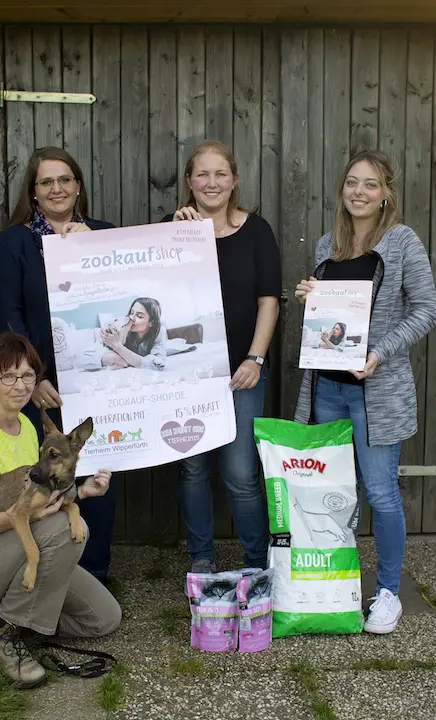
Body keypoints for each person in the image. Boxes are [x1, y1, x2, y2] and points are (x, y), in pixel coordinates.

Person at [293, 149, 436, 635]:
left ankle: (389, 592)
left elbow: (426, 310)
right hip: (327, 390)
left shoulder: (401, 242)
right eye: (352, 182)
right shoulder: (327, 245)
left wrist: (379, 352)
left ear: (386, 194)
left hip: (376, 395)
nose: (359, 192)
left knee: (379, 492)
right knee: (336, 493)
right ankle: (340, 585)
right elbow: (330, 324)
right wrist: (309, 301)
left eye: (370, 184)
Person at [0, 332, 120, 689]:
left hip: (8, 548)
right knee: (64, 532)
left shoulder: (26, 427)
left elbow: (38, 497)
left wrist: (82, 493)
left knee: (102, 618)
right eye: (8, 376)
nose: (20, 385)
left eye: (28, 375)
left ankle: (10, 616)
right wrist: (17, 517)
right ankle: (1, 631)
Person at [0, 147, 118, 581]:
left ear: (78, 186)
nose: (56, 188)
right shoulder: (14, 243)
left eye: (65, 179)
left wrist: (91, 246)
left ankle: (94, 573)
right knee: (45, 478)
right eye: (46, 182)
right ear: (33, 192)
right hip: (45, 386)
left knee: (97, 469)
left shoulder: (104, 234)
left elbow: (125, 292)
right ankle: (45, 573)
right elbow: (5, 315)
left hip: (100, 378)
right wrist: (34, 377)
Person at [161, 140, 281, 573]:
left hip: (241, 373)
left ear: (234, 181)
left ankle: (257, 563)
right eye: (202, 174)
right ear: (189, 181)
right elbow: (155, 296)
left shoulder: (256, 230)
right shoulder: (170, 229)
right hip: (187, 373)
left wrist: (255, 359)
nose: (211, 183)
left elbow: (269, 300)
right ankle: (202, 559)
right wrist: (174, 238)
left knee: (240, 473)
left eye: (220, 174)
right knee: (193, 469)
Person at [77, 297, 167, 370]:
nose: (132, 318)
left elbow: (157, 365)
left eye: (139, 316)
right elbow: (82, 360)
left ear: (152, 323)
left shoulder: (158, 332)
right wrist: (115, 358)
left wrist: (117, 346)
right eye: (131, 312)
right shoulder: (121, 327)